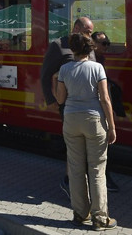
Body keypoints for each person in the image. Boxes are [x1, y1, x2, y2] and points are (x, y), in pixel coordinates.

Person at [55, 32, 118, 231]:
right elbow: (105, 99)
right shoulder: (97, 67)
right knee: (97, 170)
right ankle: (100, 218)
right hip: (94, 121)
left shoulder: (64, 69)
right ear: (90, 48)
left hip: (71, 119)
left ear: (72, 49)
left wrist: (57, 81)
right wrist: (112, 126)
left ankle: (80, 214)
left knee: (75, 169)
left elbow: (60, 100)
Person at [42, 16, 94, 199]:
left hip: (89, 104)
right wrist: (51, 99)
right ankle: (69, 179)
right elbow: (46, 73)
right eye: (88, 31)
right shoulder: (58, 45)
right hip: (68, 103)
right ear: (77, 28)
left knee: (84, 145)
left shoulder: (88, 45)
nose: (90, 35)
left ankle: (78, 180)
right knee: (74, 144)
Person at [92, 31, 122, 193]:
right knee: (101, 149)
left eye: (107, 43)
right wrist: (111, 122)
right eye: (104, 43)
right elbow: (104, 95)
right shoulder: (92, 62)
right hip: (95, 111)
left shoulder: (100, 59)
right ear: (93, 44)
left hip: (95, 110)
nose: (106, 46)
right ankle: (102, 182)